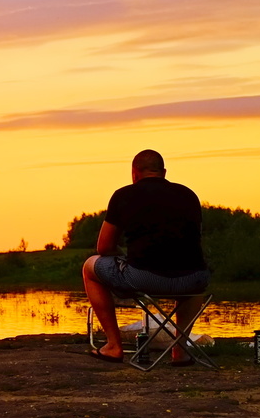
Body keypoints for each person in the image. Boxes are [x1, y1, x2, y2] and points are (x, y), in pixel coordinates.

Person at [82, 149, 210, 365]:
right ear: (164, 172)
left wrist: (122, 257)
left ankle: (113, 346)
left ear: (134, 173)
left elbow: (104, 246)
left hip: (144, 278)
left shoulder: (124, 195)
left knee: (89, 267)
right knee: (194, 275)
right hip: (192, 280)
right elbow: (193, 240)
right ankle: (180, 350)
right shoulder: (189, 195)